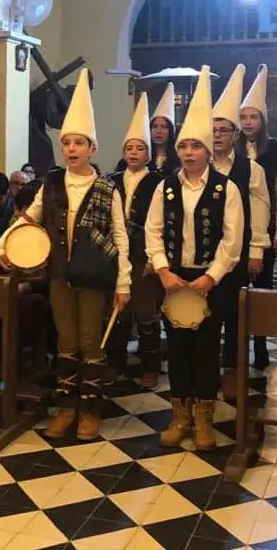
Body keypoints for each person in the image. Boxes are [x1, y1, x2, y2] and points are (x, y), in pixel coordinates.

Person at [0, 68, 131, 441]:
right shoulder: (51, 183)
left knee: (90, 342)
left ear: (92, 149)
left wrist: (123, 283)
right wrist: (2, 244)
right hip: (59, 275)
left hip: (94, 276)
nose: (71, 149)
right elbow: (29, 218)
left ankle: (90, 409)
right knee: (65, 342)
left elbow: (120, 236)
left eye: (79, 143)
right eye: (67, 142)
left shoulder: (107, 188)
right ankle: (67, 407)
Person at [146, 65, 244, 451]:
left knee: (205, 348)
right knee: (177, 348)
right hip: (173, 278)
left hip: (208, 280)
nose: (189, 153)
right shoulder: (166, 188)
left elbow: (232, 240)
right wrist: (163, 270)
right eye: (184, 146)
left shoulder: (226, 189)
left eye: (196, 147)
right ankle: (179, 416)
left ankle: (204, 418)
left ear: (208, 151)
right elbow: (153, 231)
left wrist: (211, 277)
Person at [210, 64, 271, 399]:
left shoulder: (251, 169)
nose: (217, 135)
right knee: (207, 311)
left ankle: (232, 369)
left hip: (239, 250)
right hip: (204, 251)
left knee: (234, 312)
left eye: (224, 130)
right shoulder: (197, 166)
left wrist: (257, 248)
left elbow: (260, 210)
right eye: (213, 130)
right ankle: (205, 370)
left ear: (235, 134)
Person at [236, 64, 277, 369]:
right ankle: (235, 347)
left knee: (262, 286)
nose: (248, 122)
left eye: (253, 117)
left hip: (265, 228)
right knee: (235, 288)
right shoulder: (231, 150)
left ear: (262, 120)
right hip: (234, 228)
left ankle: (259, 345)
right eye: (243, 117)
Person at [109, 94, 165, 388]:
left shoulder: (159, 182)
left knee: (146, 312)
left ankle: (150, 365)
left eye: (140, 148)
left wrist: (156, 257)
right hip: (117, 254)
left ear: (148, 155)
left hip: (144, 254)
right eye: (129, 148)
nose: (133, 153)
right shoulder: (111, 179)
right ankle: (115, 362)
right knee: (119, 310)